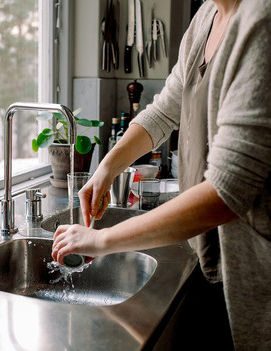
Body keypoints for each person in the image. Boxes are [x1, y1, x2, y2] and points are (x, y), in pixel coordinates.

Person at [52, 0, 271, 349]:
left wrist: (101, 240)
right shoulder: (206, 18)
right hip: (210, 255)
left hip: (256, 271)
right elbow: (164, 111)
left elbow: (228, 192)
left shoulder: (261, 21)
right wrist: (108, 166)